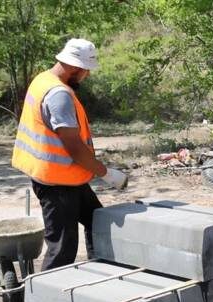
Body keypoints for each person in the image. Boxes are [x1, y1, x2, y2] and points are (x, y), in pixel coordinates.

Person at [12, 38, 128, 271]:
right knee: (62, 248)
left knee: (97, 221)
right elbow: (74, 148)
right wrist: (107, 174)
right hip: (57, 184)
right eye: (86, 71)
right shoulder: (59, 95)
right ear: (75, 68)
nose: (87, 76)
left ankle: (100, 271)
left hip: (67, 178)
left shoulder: (42, 79)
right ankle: (41, 301)